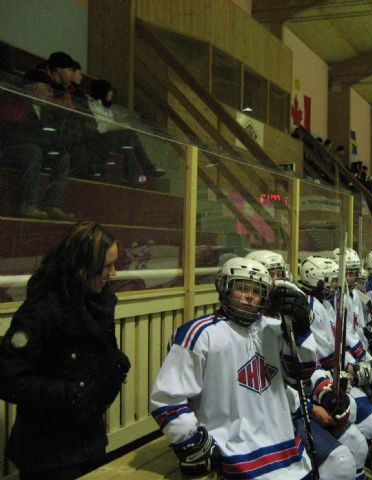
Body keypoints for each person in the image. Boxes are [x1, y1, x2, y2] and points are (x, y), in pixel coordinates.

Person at [150, 257, 316, 479]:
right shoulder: (200, 334)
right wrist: (189, 439)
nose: (249, 296)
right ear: (224, 288)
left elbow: (301, 373)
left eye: (256, 291)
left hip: (286, 449)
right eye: (242, 288)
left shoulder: (275, 330)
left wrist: (301, 329)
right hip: (232, 453)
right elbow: (167, 398)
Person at [0, 222, 130, 479]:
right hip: (48, 451)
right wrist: (66, 394)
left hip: (89, 439)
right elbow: (7, 376)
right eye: (107, 266)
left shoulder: (98, 302)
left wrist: (114, 366)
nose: (113, 273)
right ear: (83, 266)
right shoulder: (41, 310)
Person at [0, 69, 75, 219]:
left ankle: (53, 205)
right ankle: (27, 204)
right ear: (35, 88)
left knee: (63, 157)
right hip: (9, 148)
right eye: (48, 89)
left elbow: (49, 134)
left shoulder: (45, 110)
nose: (51, 94)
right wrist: (44, 143)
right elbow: (11, 133)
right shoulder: (14, 102)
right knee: (32, 151)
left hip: (36, 148)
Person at [87, 79, 165, 186]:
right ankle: (142, 171)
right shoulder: (94, 105)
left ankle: (134, 175)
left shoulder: (105, 107)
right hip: (99, 138)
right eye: (109, 91)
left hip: (109, 136)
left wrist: (120, 126)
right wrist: (121, 126)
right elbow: (102, 127)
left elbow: (109, 124)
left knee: (130, 139)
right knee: (129, 136)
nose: (111, 94)